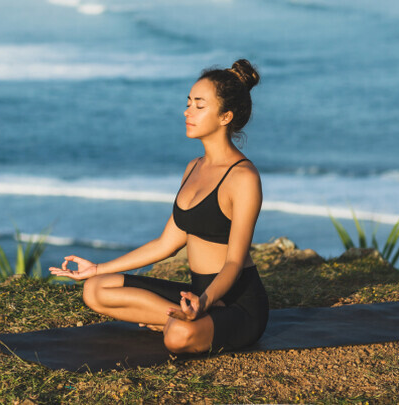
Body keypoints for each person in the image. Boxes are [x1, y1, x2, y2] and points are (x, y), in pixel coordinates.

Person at [49, 59, 268, 354]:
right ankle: (181, 317)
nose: (187, 112)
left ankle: (181, 321)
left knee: (177, 337)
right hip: (199, 295)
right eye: (188, 103)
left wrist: (205, 301)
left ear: (225, 116)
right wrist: (98, 268)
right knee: (96, 289)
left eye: (199, 106)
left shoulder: (243, 177)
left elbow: (234, 263)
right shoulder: (194, 167)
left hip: (236, 302)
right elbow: (167, 243)